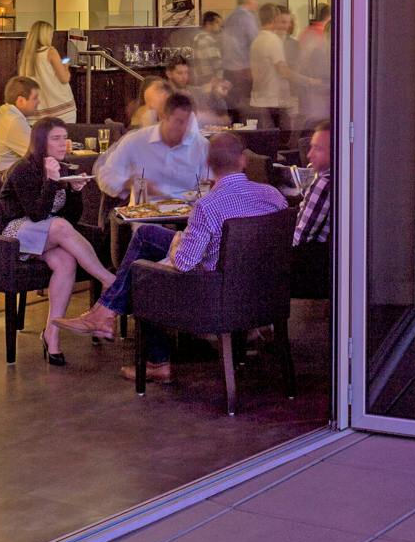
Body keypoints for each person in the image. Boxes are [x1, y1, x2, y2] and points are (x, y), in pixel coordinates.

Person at [102, 132, 288, 383]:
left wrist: (178, 243)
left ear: (209, 166)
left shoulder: (208, 206)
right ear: (243, 160)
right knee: (146, 234)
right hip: (265, 294)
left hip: (214, 301)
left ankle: (157, 361)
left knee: (143, 272)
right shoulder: (273, 196)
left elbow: (184, 263)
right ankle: (106, 310)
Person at [0, 118, 114, 366]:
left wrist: (75, 192)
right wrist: (51, 181)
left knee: (66, 260)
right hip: (10, 234)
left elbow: (69, 217)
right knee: (58, 227)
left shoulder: (62, 167)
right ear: (41, 142)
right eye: (55, 138)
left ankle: (51, 335)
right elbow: (36, 214)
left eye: (64, 137)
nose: (63, 143)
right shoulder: (23, 170)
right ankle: (108, 279)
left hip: (42, 234)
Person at [96, 91, 208, 201]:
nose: (185, 128)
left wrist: (200, 193)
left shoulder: (201, 146)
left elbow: (210, 188)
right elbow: (105, 176)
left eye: (189, 123)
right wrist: (128, 183)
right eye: (179, 122)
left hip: (187, 214)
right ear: (164, 117)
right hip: (143, 213)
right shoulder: (136, 140)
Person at [291, 121, 333, 293]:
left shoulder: (325, 183)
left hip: (310, 268)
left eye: (318, 148)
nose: (309, 155)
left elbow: (300, 239)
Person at [248, 4, 300, 129]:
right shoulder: (273, 40)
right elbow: (283, 70)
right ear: (274, 18)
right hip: (273, 100)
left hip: (259, 98)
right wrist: (308, 81)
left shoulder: (257, 40)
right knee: (280, 140)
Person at [18, 20, 76, 124]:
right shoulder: (50, 52)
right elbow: (64, 78)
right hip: (61, 110)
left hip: (36, 113)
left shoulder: (25, 55)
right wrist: (66, 67)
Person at [0, 76, 41, 176]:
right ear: (20, 101)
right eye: (35, 98)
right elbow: (39, 154)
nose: (39, 102)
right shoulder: (13, 120)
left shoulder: (3, 114)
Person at [221, 0, 260, 115]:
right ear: (248, 1)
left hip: (228, 68)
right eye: (255, 0)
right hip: (243, 68)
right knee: (245, 105)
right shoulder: (247, 17)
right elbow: (254, 41)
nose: (257, 3)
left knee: (232, 103)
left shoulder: (229, 17)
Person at [295, 10, 333, 130]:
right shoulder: (319, 53)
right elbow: (318, 80)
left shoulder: (325, 52)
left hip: (322, 109)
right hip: (319, 109)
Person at [189, 11, 224, 84]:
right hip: (210, 80)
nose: (220, 28)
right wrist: (220, 79)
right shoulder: (208, 39)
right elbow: (215, 62)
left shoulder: (197, 37)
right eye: (218, 24)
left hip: (201, 80)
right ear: (209, 23)